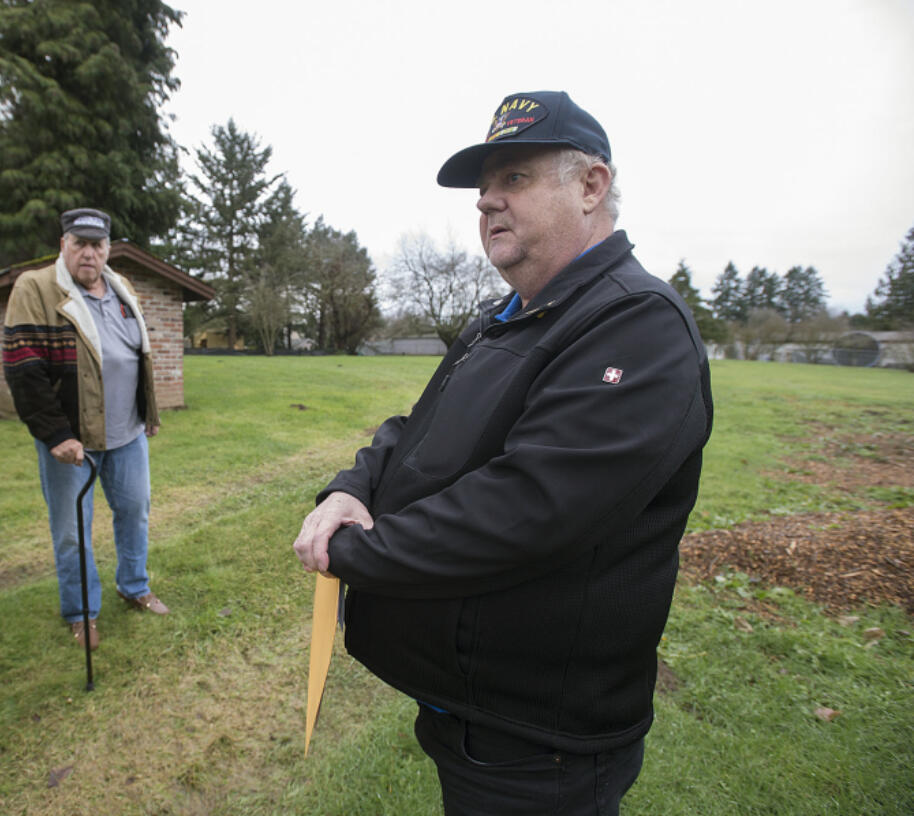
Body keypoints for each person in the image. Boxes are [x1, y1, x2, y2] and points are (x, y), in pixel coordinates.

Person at [292, 91, 713, 815]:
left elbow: (530, 507)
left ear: (591, 185)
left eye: (514, 178)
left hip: (537, 740)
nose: (487, 202)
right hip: (470, 708)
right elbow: (416, 428)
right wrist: (349, 487)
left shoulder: (637, 324)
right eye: (484, 189)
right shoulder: (504, 317)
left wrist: (358, 551)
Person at [3, 208, 168, 653]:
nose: (89, 253)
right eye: (80, 243)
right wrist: (55, 434)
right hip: (72, 440)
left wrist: (147, 411)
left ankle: (133, 586)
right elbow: (24, 369)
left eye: (97, 245)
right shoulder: (36, 289)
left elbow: (138, 356)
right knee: (73, 529)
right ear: (64, 245)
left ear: (108, 249)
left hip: (127, 434)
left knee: (135, 511)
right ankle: (80, 611)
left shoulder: (121, 288)